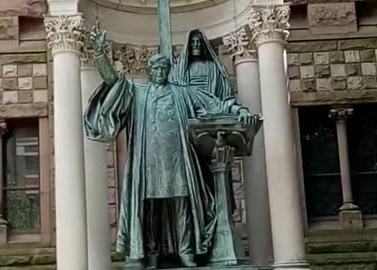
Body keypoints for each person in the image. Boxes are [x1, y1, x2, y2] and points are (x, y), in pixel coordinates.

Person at [84, 23, 254, 268]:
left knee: (182, 203)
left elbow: (216, 103)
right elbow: (113, 80)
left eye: (164, 67)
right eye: (155, 67)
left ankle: (186, 250)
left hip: (178, 161)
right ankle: (149, 252)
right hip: (148, 163)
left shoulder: (183, 93)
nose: (160, 71)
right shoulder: (138, 93)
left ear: (169, 70)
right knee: (150, 207)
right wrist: (100, 54)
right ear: (150, 70)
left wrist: (239, 110)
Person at [169, 29, 234, 101]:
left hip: (212, 105)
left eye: (198, 42)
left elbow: (224, 92)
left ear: (203, 45)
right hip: (189, 105)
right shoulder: (180, 70)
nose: (196, 45)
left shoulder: (213, 68)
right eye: (192, 42)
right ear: (188, 45)